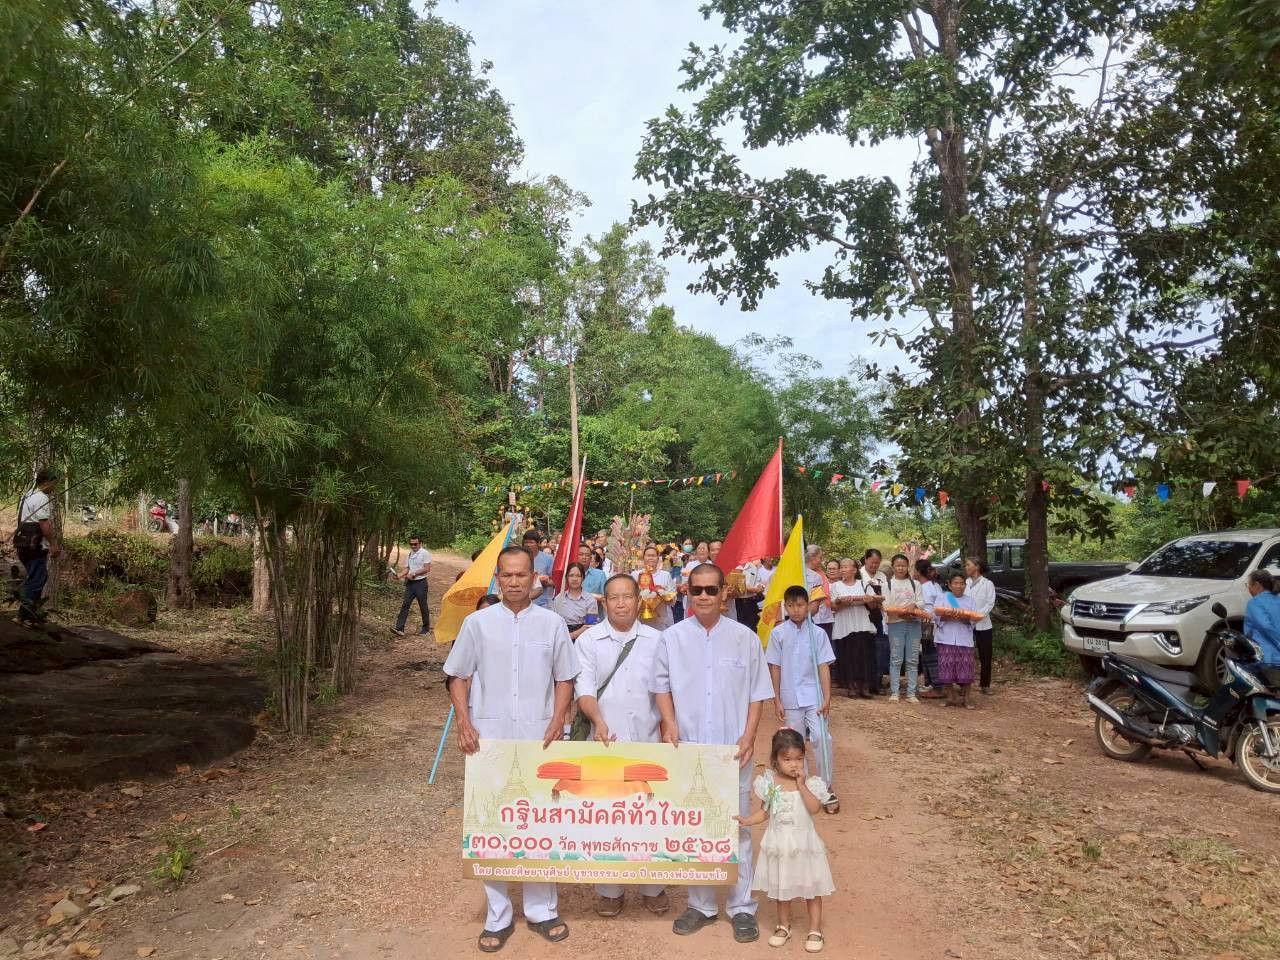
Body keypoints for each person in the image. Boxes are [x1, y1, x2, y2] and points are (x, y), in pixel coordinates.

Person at [442, 546, 579, 953]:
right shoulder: (477, 624)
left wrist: (558, 719)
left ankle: (542, 910)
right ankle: (498, 914)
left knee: (540, 823)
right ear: (497, 578)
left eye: (522, 575)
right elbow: (457, 676)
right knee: (492, 825)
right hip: (489, 739)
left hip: (541, 739)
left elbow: (565, 678)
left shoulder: (552, 624)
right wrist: (465, 723)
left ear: (533, 576)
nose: (515, 582)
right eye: (507, 575)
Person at [652, 563, 773, 943]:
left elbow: (757, 693)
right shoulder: (670, 638)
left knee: (736, 825)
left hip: (732, 749)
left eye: (711, 590)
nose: (703, 596)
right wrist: (669, 724)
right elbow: (661, 688)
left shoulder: (745, 638)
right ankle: (701, 905)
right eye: (697, 590)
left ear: (724, 593)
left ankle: (741, 907)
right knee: (694, 826)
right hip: (687, 747)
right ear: (687, 593)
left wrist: (750, 735)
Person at [574, 574, 670, 918]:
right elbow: (583, 689)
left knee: (649, 816)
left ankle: (653, 887)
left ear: (638, 598)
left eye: (627, 596)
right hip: (604, 743)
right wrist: (598, 720)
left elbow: (664, 690)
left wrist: (669, 726)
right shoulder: (588, 642)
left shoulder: (658, 640)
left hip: (647, 740)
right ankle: (609, 890)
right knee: (606, 818)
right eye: (613, 597)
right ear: (604, 601)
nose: (620, 603)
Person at [737, 728, 835, 954]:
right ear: (775, 760)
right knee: (783, 888)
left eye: (799, 759)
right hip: (780, 845)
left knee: (812, 888)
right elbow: (764, 813)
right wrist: (746, 821)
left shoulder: (811, 784)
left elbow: (815, 809)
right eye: (787, 759)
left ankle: (815, 930)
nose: (794, 764)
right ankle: (783, 926)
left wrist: (801, 785)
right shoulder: (770, 784)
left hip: (804, 846)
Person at [766, 585, 838, 813]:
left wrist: (827, 696)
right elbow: (775, 667)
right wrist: (776, 699)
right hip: (789, 696)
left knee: (821, 737)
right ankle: (803, 785)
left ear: (808, 606)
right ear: (785, 607)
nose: (796, 610)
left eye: (800, 605)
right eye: (791, 605)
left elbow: (823, 666)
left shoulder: (817, 634)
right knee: (794, 744)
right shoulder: (778, 633)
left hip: (813, 695)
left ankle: (825, 786)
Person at [15, 469, 60, 624]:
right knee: (37, 578)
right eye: (54, 483)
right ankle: (23, 615)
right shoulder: (41, 498)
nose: (54, 487)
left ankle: (32, 614)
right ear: (47, 482)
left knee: (38, 577)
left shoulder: (28, 495)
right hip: (34, 545)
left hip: (22, 543)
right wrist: (53, 543)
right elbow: (44, 524)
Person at [829, 558, 875, 698]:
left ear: (854, 570)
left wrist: (869, 601)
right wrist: (843, 603)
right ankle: (851, 686)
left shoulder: (864, 584)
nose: (842, 569)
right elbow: (833, 608)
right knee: (847, 656)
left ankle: (864, 685)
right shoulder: (836, 586)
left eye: (845, 567)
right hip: (845, 625)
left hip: (862, 624)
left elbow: (874, 605)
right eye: (841, 567)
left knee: (864, 656)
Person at [933, 573, 978, 709]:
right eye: (956, 583)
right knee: (946, 667)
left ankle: (967, 698)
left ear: (965, 585)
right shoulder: (942, 598)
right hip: (945, 637)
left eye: (962, 583)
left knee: (966, 668)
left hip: (964, 639)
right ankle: (950, 696)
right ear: (950, 585)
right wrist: (947, 615)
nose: (959, 586)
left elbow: (974, 620)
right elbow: (935, 617)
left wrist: (962, 617)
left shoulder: (970, 601)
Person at [885, 554, 924, 703]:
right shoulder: (888, 584)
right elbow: (887, 607)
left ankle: (911, 693)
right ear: (893, 567)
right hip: (896, 625)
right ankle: (895, 692)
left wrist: (913, 606)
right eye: (898, 565)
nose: (900, 568)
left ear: (908, 566)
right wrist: (905, 613)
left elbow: (921, 602)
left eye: (903, 565)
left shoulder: (915, 584)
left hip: (914, 625)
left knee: (913, 659)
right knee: (896, 659)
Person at [965, 557, 997, 695]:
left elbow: (990, 603)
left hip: (983, 624)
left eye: (968, 565)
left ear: (976, 567)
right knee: (965, 654)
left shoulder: (988, 584)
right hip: (966, 623)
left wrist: (977, 615)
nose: (966, 567)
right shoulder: (964, 583)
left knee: (985, 655)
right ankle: (964, 684)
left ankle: (985, 684)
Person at [914, 559, 945, 699]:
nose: (912, 572)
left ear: (919, 572)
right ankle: (932, 683)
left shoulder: (925, 588)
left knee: (931, 654)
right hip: (935, 623)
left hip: (929, 623)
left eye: (914, 569)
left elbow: (927, 608)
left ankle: (938, 687)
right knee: (928, 653)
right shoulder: (935, 585)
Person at [860, 549, 890, 693]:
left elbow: (887, 595)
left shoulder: (882, 576)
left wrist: (875, 599)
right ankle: (864, 682)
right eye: (872, 562)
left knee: (880, 647)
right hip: (862, 614)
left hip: (879, 615)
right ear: (865, 560)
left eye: (877, 563)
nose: (874, 566)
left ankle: (877, 681)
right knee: (865, 648)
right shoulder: (859, 574)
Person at [392, 535, 432, 637]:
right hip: (410, 584)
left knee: (423, 606)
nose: (413, 546)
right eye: (411, 544)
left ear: (420, 543)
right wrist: (399, 575)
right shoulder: (410, 554)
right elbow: (407, 568)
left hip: (421, 583)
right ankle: (399, 628)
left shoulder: (425, 553)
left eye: (415, 544)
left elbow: (427, 568)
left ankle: (425, 629)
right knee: (405, 604)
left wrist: (414, 574)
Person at [632, 545, 675, 630]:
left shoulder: (665, 575)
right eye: (648, 555)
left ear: (658, 558)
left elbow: (672, 597)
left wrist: (662, 594)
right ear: (643, 558)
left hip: (660, 620)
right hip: (640, 620)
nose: (651, 558)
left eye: (653, 556)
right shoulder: (635, 575)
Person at [551, 563, 599, 641]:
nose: (574, 579)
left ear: (583, 578)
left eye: (578, 575)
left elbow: (591, 625)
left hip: (584, 639)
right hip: (562, 638)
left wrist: (571, 636)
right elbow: (555, 623)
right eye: (571, 575)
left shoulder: (590, 600)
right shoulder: (558, 599)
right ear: (566, 577)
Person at [1244, 571, 1280, 665]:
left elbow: (1265, 626)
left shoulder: (1254, 603)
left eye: (1249, 585)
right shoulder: (1278, 600)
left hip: (1268, 658)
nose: (1248, 588)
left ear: (1257, 585)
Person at [803, 546, 835, 639]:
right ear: (812, 557)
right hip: (810, 618)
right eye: (820, 557)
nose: (821, 561)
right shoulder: (805, 574)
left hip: (825, 618)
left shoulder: (821, 574)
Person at [524, 531, 555, 608]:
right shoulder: (520, 558)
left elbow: (554, 581)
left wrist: (542, 582)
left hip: (541, 603)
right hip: (523, 603)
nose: (528, 545)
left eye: (531, 542)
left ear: (538, 543)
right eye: (526, 542)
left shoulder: (548, 558)